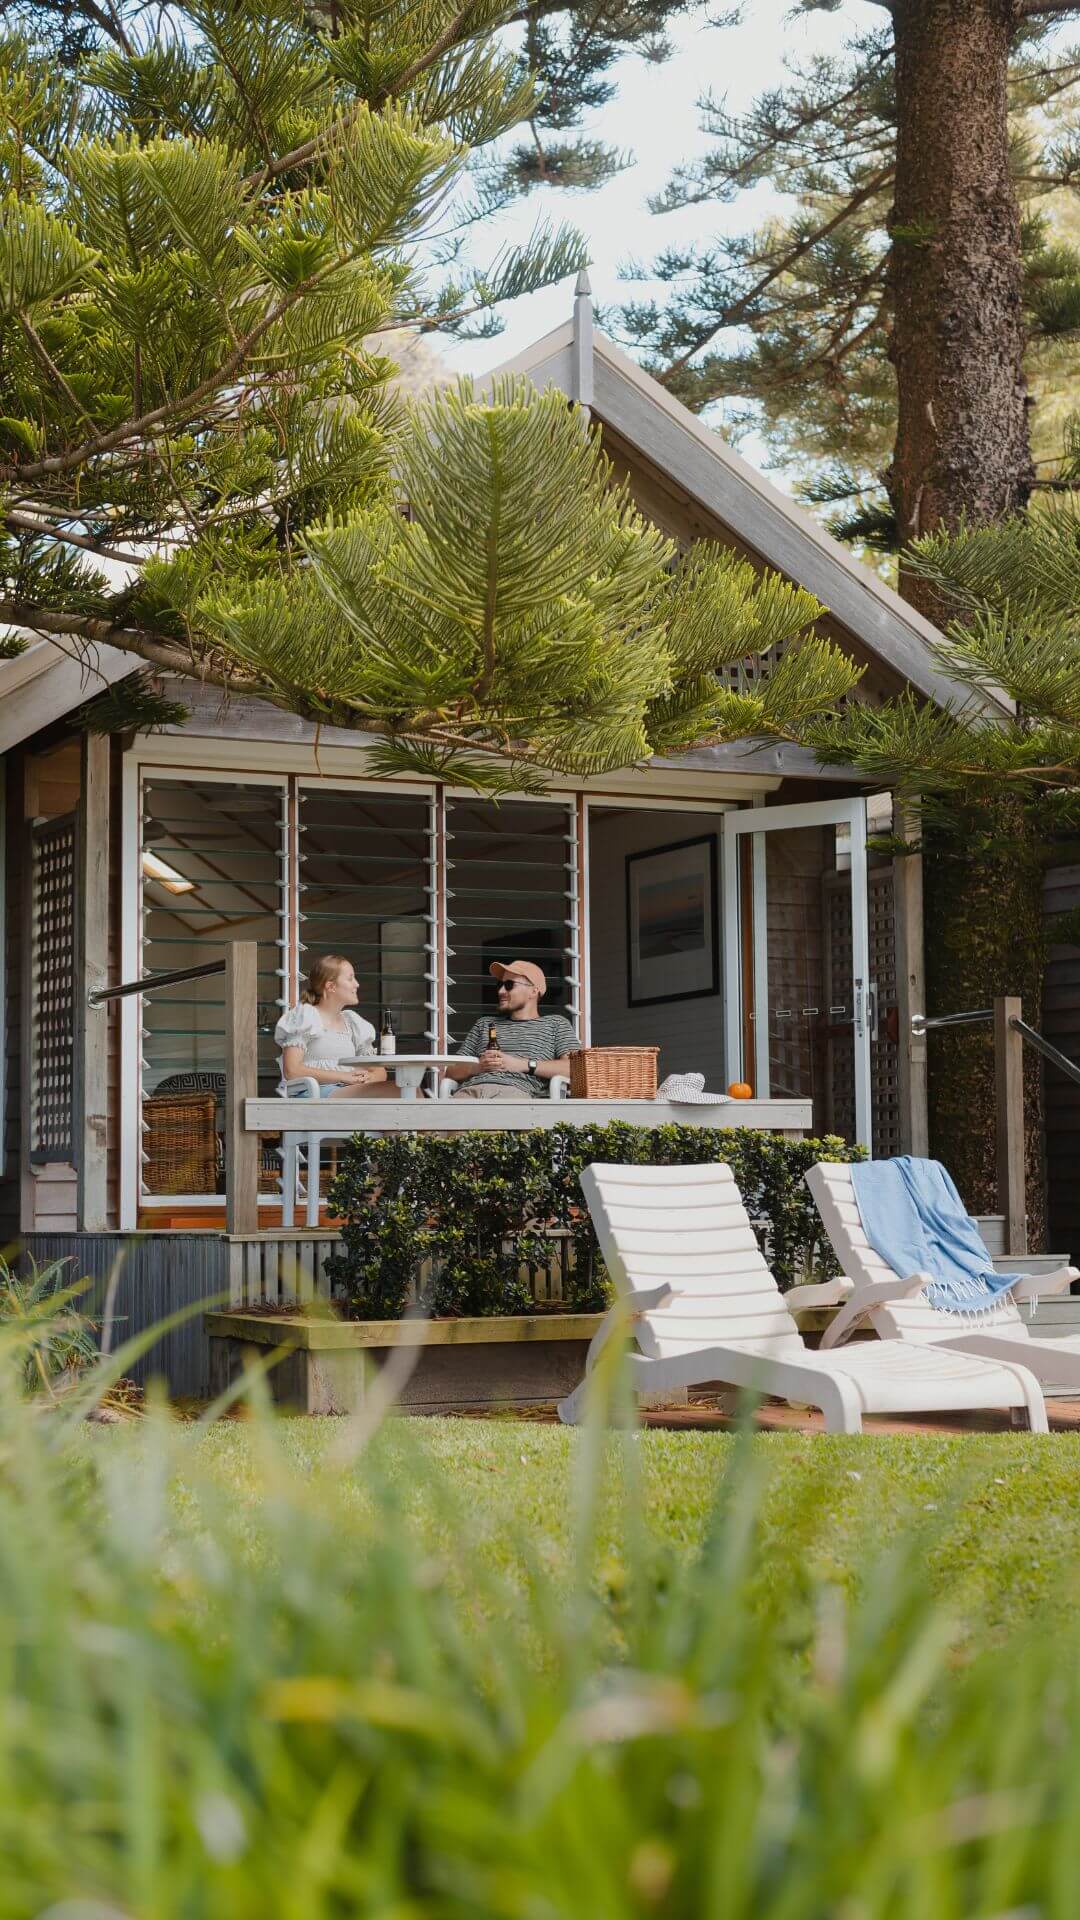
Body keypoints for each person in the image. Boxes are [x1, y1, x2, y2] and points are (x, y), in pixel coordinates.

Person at [444, 960, 579, 1100]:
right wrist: (478, 1066)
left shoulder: (555, 1024)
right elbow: (451, 1071)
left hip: (515, 1092)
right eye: (500, 985)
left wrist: (523, 1065)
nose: (501, 991)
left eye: (509, 985)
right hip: (470, 1092)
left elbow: (576, 1069)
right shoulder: (484, 1024)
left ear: (533, 991)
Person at [275, 955, 400, 1099]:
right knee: (400, 1092)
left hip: (350, 1089)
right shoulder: (303, 1018)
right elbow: (292, 1070)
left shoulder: (352, 1022)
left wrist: (363, 1078)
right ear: (331, 986)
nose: (357, 984)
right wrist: (343, 1077)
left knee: (412, 1091)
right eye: (350, 978)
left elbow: (379, 1072)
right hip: (315, 1093)